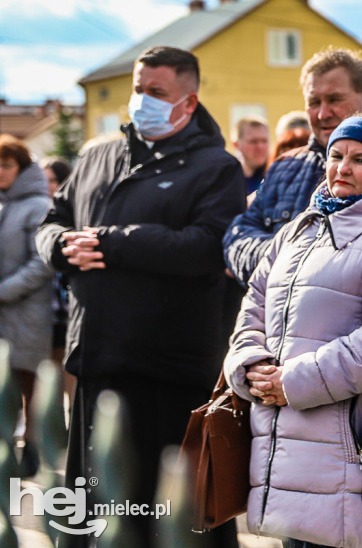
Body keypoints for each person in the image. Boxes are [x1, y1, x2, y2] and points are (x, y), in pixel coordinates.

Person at [35, 46, 245, 547]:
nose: (142, 101)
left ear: (188, 103)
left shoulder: (216, 167)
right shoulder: (95, 154)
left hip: (169, 370)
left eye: (157, 93)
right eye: (138, 89)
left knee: (168, 513)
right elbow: (51, 224)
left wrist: (113, 242)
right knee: (94, 510)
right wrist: (63, 247)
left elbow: (206, 247)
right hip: (98, 359)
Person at [223, 114, 362, 548]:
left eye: (361, 160)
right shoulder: (299, 230)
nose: (342, 168)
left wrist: (293, 381)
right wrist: (250, 366)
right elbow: (252, 310)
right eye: (336, 155)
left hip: (354, 456)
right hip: (285, 450)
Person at [223, 48, 362, 287]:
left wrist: (282, 264)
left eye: (334, 99)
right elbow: (237, 236)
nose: (322, 113)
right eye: (313, 102)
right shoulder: (285, 165)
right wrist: (291, 265)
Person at [0, 136, 53, 477]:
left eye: (6, 165)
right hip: (3, 315)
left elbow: (42, 262)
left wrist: (4, 290)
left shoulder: (39, 206)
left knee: (28, 387)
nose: (0, 171)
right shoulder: (2, 204)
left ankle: (32, 451)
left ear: (21, 168)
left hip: (28, 314)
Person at [39, 157, 74, 407]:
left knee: (68, 366)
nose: (49, 186)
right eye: (45, 180)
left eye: (53, 180)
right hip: (46, 304)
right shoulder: (44, 211)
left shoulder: (72, 208)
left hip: (68, 303)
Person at [232, 116, 270, 194]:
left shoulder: (276, 175)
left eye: (264, 141)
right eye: (253, 142)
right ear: (236, 145)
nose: (260, 147)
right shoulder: (227, 178)